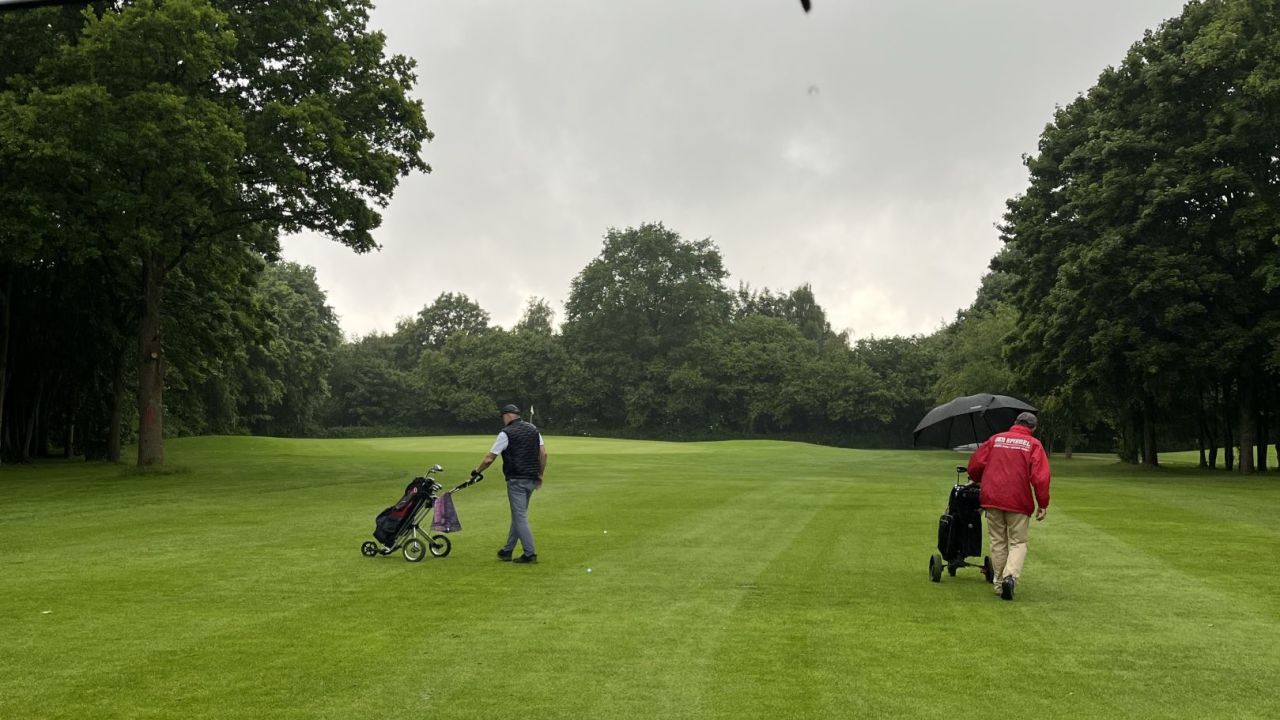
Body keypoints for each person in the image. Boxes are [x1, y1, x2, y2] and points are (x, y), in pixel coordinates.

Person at [966, 411, 1051, 601]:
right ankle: (1010, 577)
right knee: (1018, 542)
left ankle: (998, 583)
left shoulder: (995, 439)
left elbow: (975, 464)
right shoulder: (1033, 444)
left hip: (992, 498)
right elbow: (1041, 478)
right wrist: (1043, 503)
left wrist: (976, 477)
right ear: (1033, 428)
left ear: (1015, 422)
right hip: (1018, 501)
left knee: (998, 541)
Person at [472, 404, 546, 564]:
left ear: (506, 416)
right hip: (531, 478)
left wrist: (477, 471)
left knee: (520, 516)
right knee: (518, 515)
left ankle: (530, 554)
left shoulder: (506, 433)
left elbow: (489, 459)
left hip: (516, 480)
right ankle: (507, 550)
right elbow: (543, 454)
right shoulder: (534, 429)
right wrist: (540, 474)